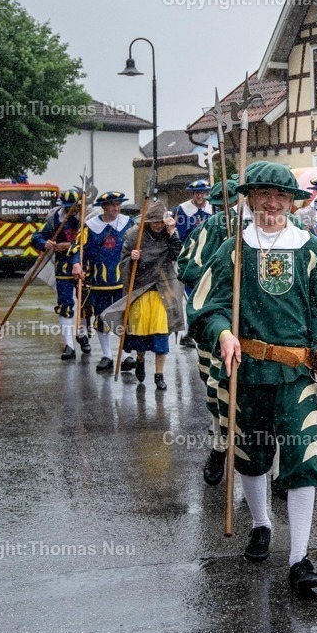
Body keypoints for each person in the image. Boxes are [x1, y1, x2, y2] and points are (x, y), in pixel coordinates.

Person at [187, 162, 317, 593]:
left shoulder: (308, 248)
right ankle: (261, 523)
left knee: (302, 458)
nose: (273, 203)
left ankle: (300, 558)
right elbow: (206, 306)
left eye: (281, 196)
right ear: (250, 199)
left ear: (293, 203)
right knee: (251, 454)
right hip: (247, 371)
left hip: (296, 373)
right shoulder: (234, 250)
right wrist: (222, 332)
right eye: (264, 194)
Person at [178, 178, 241, 485]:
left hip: (258, 321)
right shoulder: (209, 228)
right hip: (215, 320)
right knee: (218, 388)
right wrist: (215, 278)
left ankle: (277, 469)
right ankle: (219, 447)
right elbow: (185, 266)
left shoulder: (274, 230)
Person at [100, 201, 184, 390]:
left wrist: (172, 232)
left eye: (160, 222)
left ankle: (159, 375)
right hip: (140, 291)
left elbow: (176, 254)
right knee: (140, 335)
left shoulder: (169, 234)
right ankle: (140, 360)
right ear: (147, 222)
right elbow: (123, 264)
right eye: (154, 222)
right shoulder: (134, 236)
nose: (158, 226)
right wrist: (132, 259)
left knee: (161, 334)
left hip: (162, 290)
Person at [70, 192, 134, 372]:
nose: (116, 208)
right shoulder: (90, 226)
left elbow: (139, 243)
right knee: (101, 318)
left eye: (118, 204)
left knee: (124, 318)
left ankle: (126, 355)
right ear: (104, 207)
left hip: (123, 280)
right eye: (112, 204)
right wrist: (76, 263)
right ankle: (107, 356)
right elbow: (76, 247)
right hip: (100, 281)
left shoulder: (128, 223)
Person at [31, 190, 87, 359]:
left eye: (74, 207)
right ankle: (69, 345)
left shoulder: (87, 219)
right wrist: (45, 243)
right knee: (65, 304)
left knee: (86, 303)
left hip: (84, 266)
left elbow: (87, 243)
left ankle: (83, 334)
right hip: (63, 267)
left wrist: (68, 246)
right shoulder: (55, 219)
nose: (72, 211)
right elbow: (36, 237)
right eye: (68, 207)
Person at [173, 179, 214, 348]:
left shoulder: (214, 208)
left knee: (207, 293)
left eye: (202, 192)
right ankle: (188, 332)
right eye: (196, 192)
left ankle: (201, 328)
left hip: (209, 256)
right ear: (192, 194)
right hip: (189, 257)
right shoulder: (181, 210)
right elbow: (174, 234)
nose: (199, 196)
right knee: (190, 295)